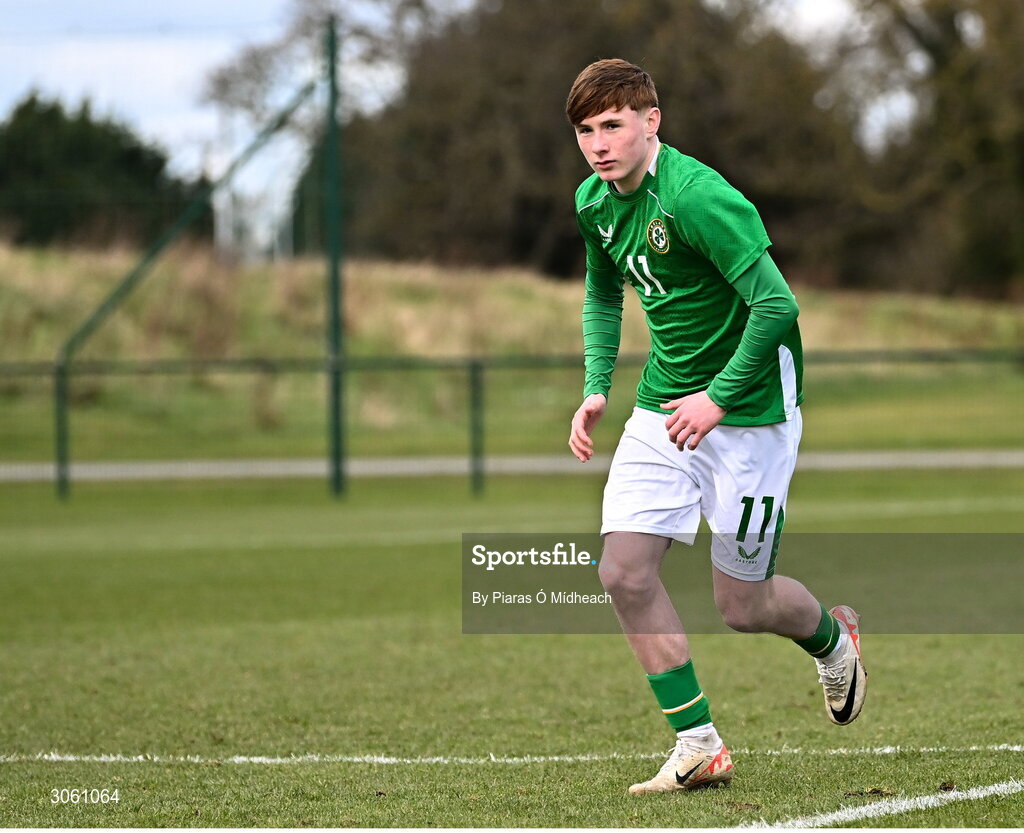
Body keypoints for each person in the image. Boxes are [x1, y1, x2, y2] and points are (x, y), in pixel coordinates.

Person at [565, 58, 866, 794]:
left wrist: (720, 398)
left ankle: (834, 637)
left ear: (650, 122)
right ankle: (698, 744)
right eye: (584, 130)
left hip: (751, 406)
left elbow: (777, 306)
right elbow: (604, 294)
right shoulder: (593, 202)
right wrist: (596, 388)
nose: (598, 143)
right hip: (665, 402)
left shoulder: (700, 198)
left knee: (744, 605)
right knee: (623, 572)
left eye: (612, 125)